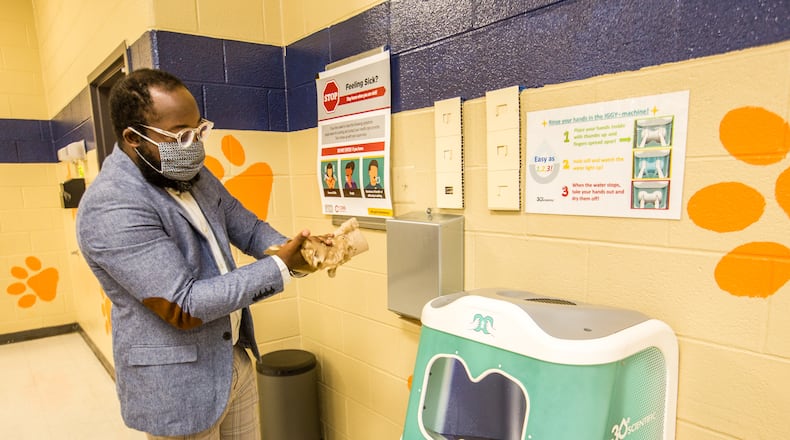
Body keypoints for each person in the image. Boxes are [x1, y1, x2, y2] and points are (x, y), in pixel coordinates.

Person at [76, 68, 322, 439]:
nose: (194, 145)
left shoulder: (193, 173)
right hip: (179, 388)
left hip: (232, 360)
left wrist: (297, 251)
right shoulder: (112, 206)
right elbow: (183, 305)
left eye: (199, 130)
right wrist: (280, 267)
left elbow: (249, 228)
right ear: (133, 137)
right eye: (180, 134)